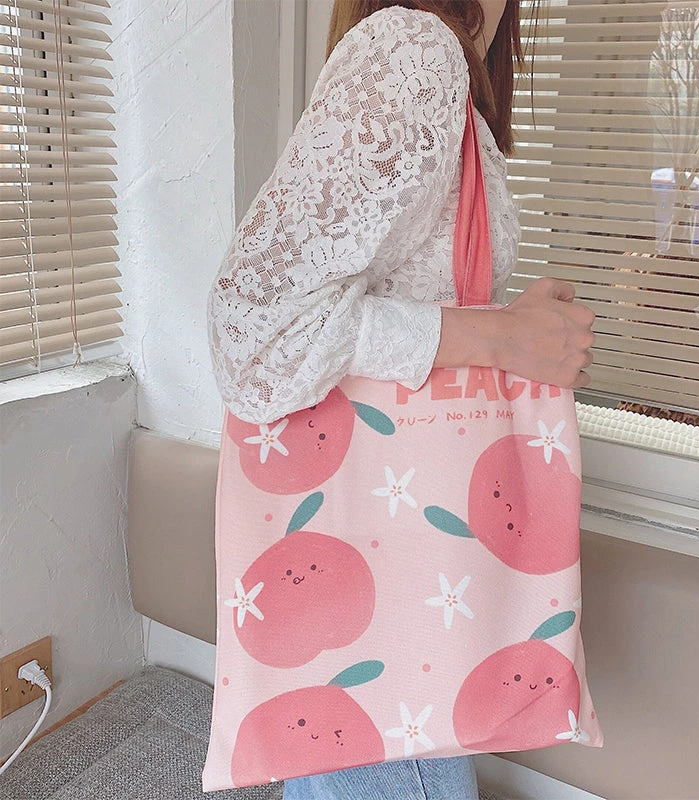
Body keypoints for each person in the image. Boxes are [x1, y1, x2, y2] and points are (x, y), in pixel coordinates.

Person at [207, 1, 595, 798]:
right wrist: (499, 338)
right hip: (398, 589)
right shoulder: (415, 49)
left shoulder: (440, 65)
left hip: (398, 580)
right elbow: (253, 330)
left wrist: (498, 329)